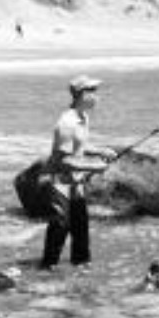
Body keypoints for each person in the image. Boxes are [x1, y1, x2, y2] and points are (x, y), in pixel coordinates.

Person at [40, 74, 117, 269]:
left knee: (81, 228)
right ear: (81, 94)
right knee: (60, 227)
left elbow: (79, 146)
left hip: (76, 184)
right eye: (92, 91)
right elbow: (62, 160)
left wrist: (100, 150)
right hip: (60, 184)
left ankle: (82, 267)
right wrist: (94, 166)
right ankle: (47, 269)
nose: (96, 96)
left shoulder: (83, 117)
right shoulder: (66, 123)